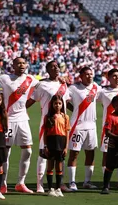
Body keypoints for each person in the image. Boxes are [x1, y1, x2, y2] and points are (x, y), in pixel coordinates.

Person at [26, 61, 70, 193]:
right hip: (47, 124)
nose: (56, 68)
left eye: (57, 66)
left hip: (62, 124)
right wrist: (18, 111)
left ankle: (59, 184)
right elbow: (31, 100)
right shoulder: (42, 84)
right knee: (44, 153)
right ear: (47, 70)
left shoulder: (63, 84)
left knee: (60, 154)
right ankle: (40, 184)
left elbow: (66, 103)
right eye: (52, 67)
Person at [0, 57, 38, 193]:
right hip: (8, 120)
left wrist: (61, 80)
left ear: (26, 65)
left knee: (28, 150)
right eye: (18, 63)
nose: (21, 65)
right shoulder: (4, 78)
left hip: (23, 119)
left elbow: (45, 84)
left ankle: (21, 183)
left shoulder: (31, 79)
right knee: (5, 152)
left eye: (23, 63)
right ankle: (3, 183)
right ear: (13, 65)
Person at [67, 66, 102, 191]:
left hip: (92, 126)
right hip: (78, 126)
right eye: (86, 74)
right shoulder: (74, 88)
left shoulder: (96, 87)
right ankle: (72, 182)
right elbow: (63, 99)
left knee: (90, 153)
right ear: (81, 76)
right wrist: (75, 110)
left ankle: (87, 181)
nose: (90, 76)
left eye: (91, 74)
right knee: (74, 153)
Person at [97, 69, 118, 188]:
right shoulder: (102, 91)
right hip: (107, 127)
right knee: (106, 154)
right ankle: (106, 180)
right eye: (114, 76)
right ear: (108, 78)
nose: (117, 78)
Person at [43, 95, 70, 197]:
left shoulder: (65, 117)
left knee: (59, 166)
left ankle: (58, 188)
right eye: (55, 103)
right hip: (51, 141)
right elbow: (45, 133)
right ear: (52, 104)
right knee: (50, 165)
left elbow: (67, 133)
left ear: (62, 104)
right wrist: (45, 145)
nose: (57, 105)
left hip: (61, 142)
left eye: (59, 103)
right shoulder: (48, 117)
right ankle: (50, 189)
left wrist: (66, 147)